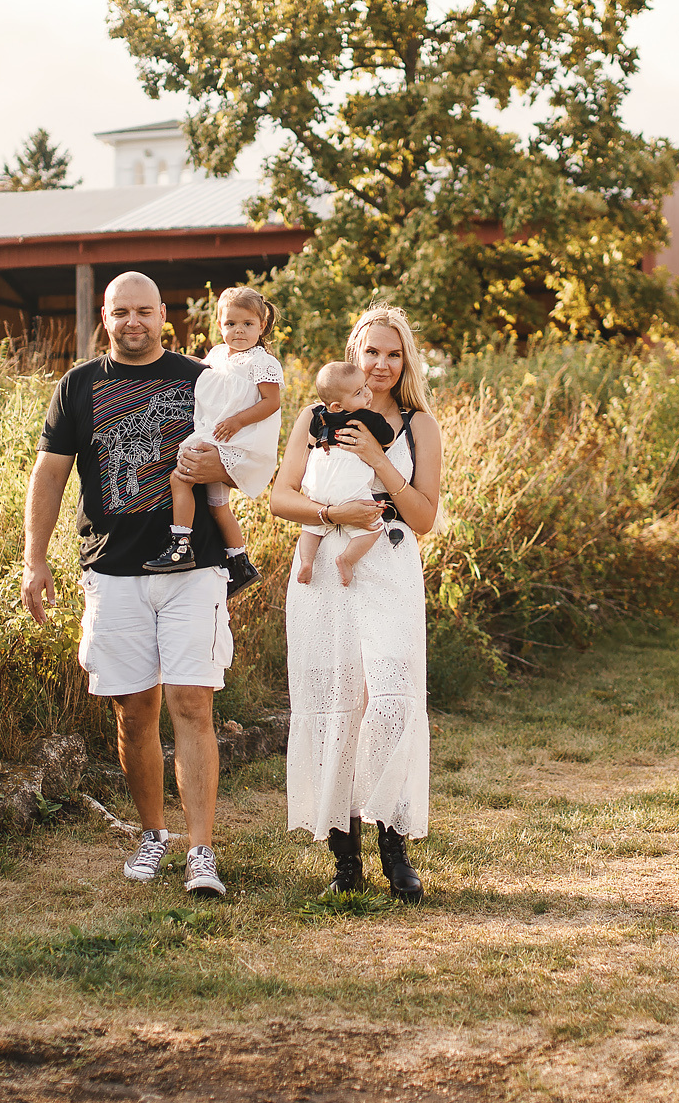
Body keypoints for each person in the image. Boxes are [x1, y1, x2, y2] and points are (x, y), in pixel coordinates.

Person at [22, 271, 228, 897]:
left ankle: (201, 852)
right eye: (121, 312)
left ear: (165, 314)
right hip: (111, 570)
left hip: (194, 567)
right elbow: (51, 475)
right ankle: (152, 834)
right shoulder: (78, 387)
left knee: (191, 704)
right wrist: (35, 559)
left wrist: (213, 462)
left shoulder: (203, 381)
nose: (133, 322)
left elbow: (243, 465)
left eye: (144, 311)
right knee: (134, 711)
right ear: (105, 317)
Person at [264, 304, 443, 903]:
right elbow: (280, 498)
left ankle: (394, 847)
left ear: (406, 359)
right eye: (372, 353)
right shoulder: (315, 418)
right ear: (354, 355)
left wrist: (378, 460)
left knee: (389, 698)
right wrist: (330, 514)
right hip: (325, 573)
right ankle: (345, 860)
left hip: (388, 565)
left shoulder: (419, 426)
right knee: (337, 700)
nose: (382, 365)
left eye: (394, 354)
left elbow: (423, 517)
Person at [145, 287, 284, 592]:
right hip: (218, 433)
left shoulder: (262, 362)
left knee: (180, 477)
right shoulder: (219, 354)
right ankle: (240, 562)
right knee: (217, 506)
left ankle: (181, 544)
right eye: (230, 323)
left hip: (237, 438)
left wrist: (238, 420)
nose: (238, 331)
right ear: (219, 326)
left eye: (247, 324)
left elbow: (270, 402)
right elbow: (201, 369)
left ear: (261, 327)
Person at [293, 360, 399, 587]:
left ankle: (307, 561)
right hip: (347, 483)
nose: (367, 395)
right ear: (337, 406)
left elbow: (311, 442)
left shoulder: (318, 416)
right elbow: (388, 438)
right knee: (372, 528)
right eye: (359, 392)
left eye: (365, 388)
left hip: (316, 482)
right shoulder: (366, 416)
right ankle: (346, 560)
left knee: (311, 527)